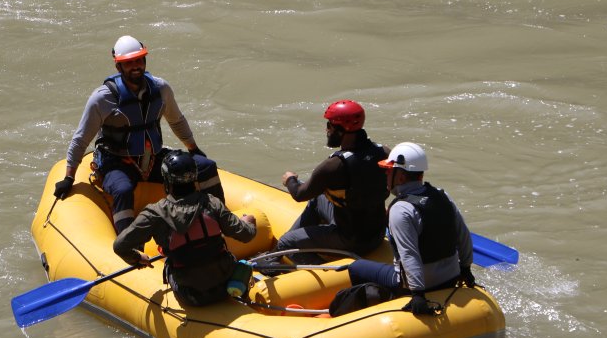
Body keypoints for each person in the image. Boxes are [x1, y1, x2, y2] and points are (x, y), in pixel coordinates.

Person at [53, 35, 224, 235]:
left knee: (206, 166)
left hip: (152, 159)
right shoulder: (102, 98)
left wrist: (193, 148)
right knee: (123, 190)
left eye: (139, 60)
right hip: (116, 163)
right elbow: (81, 139)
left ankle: (219, 221)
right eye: (129, 63)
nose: (135, 66)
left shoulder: (160, 89)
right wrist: (69, 177)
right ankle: (128, 245)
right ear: (118, 67)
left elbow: (176, 121)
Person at [112, 151, 258, 307]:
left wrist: (136, 258)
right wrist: (249, 222)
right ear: (194, 177)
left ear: (167, 180)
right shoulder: (212, 203)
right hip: (223, 286)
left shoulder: (155, 213)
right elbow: (246, 235)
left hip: (189, 294)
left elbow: (120, 246)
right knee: (238, 263)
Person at [346, 142, 475, 316]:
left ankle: (375, 308)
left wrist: (418, 294)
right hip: (452, 276)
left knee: (357, 268)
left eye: (389, 170)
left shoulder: (401, 209)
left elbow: (409, 254)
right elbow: (464, 235)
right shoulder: (442, 196)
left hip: (422, 285)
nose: (385, 173)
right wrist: (466, 268)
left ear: (400, 177)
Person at [276, 100, 390, 261]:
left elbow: (299, 194)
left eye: (329, 126)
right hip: (376, 234)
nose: (326, 130)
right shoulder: (384, 152)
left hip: (351, 239)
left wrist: (290, 179)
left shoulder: (334, 166)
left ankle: (322, 270)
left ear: (341, 130)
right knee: (318, 198)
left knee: (285, 243)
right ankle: (297, 239)